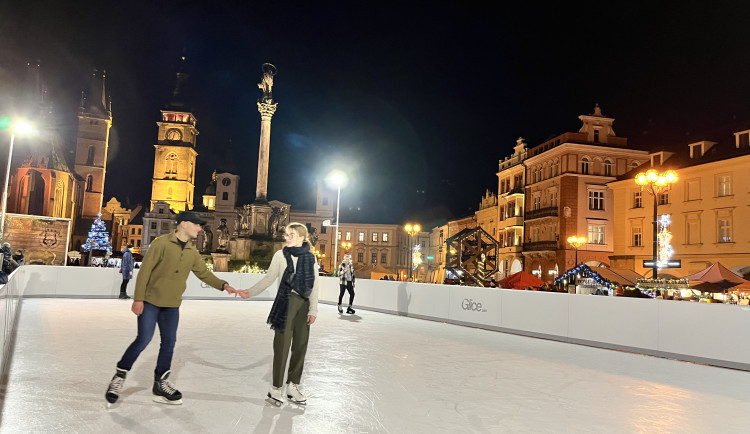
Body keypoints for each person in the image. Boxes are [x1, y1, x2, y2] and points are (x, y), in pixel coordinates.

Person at [105, 211, 249, 406]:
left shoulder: (192, 251)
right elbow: (145, 271)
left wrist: (225, 286)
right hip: (150, 302)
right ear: (184, 224)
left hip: (172, 305)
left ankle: (160, 383)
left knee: (169, 343)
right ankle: (119, 377)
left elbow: (204, 274)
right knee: (143, 339)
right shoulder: (161, 243)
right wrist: (138, 299)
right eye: (197, 225)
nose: (200, 229)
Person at [243, 222, 319, 406]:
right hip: (286, 304)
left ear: (302, 237)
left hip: (304, 304)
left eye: (292, 235)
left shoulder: (311, 258)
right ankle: (276, 388)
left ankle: (293, 385)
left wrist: (313, 309)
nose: (288, 238)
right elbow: (269, 279)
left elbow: (315, 284)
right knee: (282, 346)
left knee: (300, 346)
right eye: (287, 234)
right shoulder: (280, 255)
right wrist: (250, 291)